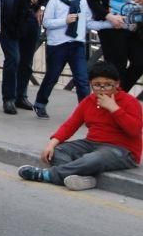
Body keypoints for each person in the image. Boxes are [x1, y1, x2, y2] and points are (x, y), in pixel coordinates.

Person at [18, 62, 141, 190]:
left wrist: (114, 108)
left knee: (94, 158)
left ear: (117, 84)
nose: (103, 89)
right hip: (92, 143)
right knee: (58, 151)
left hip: (122, 150)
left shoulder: (130, 102)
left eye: (108, 85)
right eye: (97, 85)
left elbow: (134, 130)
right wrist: (52, 143)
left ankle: (47, 175)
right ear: (91, 84)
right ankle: (83, 179)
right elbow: (71, 124)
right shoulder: (88, 101)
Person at [33, 0, 111, 119]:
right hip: (58, 45)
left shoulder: (82, 1)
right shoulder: (55, 0)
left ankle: (86, 111)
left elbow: (88, 23)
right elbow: (47, 22)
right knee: (52, 77)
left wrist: (109, 24)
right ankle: (40, 103)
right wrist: (65, 21)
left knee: (82, 79)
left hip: (76, 44)